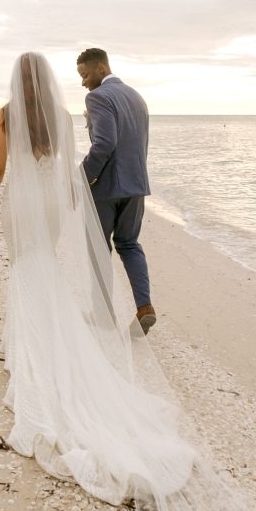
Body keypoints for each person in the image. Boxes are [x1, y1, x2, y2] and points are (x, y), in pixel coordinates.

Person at [0, 52, 256, 511]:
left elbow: (5, 164)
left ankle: (47, 336)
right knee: (109, 251)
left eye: (83, 70)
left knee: (28, 266)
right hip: (113, 192)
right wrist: (70, 191)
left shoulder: (27, 109)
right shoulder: (71, 110)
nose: (79, 79)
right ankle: (133, 305)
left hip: (49, 199)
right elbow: (73, 158)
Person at [76, 48, 156, 334]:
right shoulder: (137, 96)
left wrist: (83, 178)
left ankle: (102, 314)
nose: (83, 82)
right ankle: (145, 307)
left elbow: (104, 144)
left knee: (99, 249)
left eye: (85, 75)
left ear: (100, 68)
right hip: (137, 186)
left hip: (107, 187)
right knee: (129, 244)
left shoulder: (97, 97)